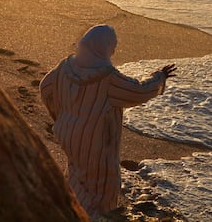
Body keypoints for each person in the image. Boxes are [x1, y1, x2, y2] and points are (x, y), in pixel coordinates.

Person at [39, 24, 176, 218]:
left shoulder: (65, 67)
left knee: (77, 174)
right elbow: (137, 90)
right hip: (95, 143)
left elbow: (45, 88)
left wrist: (60, 117)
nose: (114, 49)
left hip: (68, 135)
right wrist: (159, 76)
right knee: (102, 187)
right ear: (102, 46)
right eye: (113, 45)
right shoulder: (106, 78)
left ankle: (70, 210)